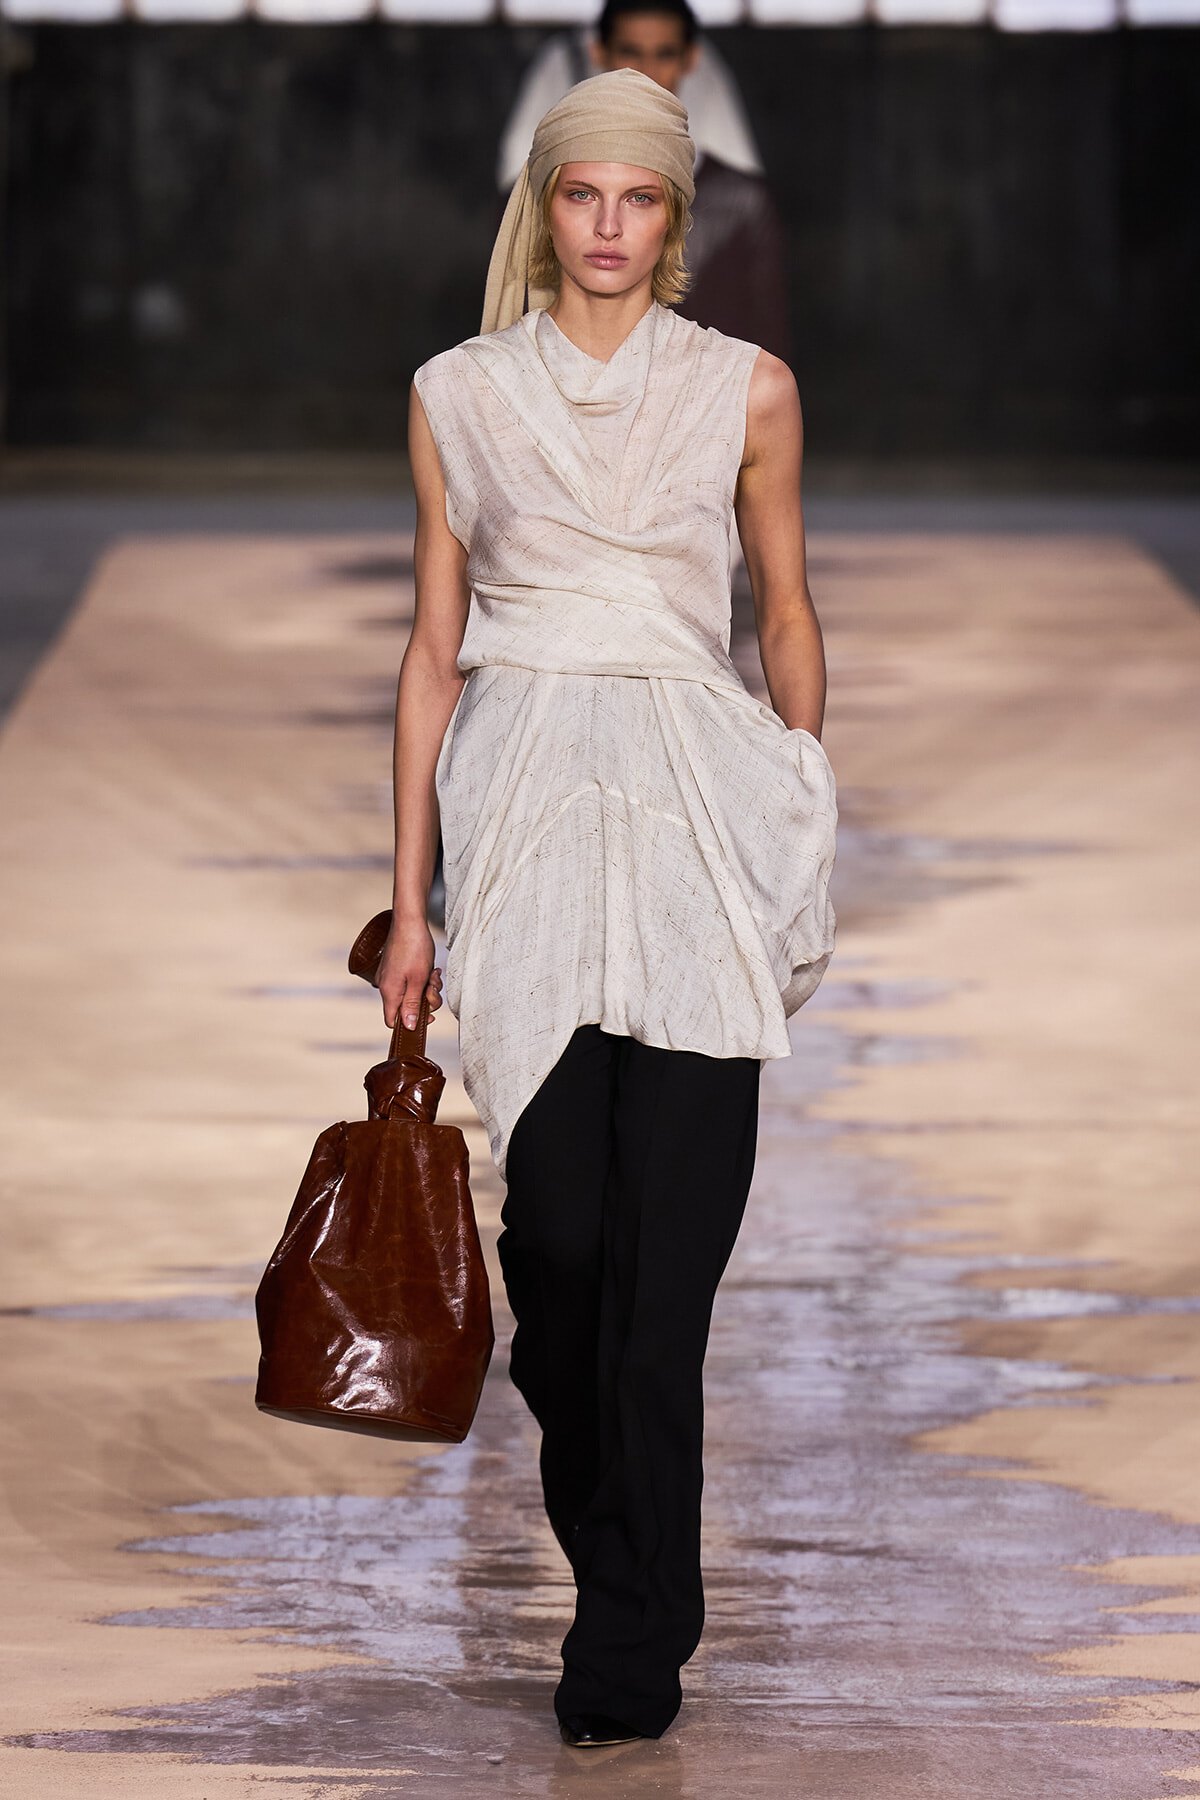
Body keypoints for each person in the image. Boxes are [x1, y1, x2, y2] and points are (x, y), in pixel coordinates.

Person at [377, 69, 835, 1748]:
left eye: (644, 200)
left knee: (669, 1283)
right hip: (525, 826)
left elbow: (785, 604)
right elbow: (432, 655)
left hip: (700, 825)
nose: (612, 228)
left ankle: (632, 1631)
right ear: (546, 204)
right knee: (561, 1252)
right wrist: (408, 905)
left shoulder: (748, 392)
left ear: (678, 215)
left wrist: (800, 777)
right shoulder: (458, 395)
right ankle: (620, 1537)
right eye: (586, 197)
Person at [498, 0, 792, 360]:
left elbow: (768, 341)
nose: (647, 72)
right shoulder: (545, 190)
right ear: (598, 53)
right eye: (630, 52)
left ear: (690, 59)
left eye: (664, 54)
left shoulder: (741, 201)